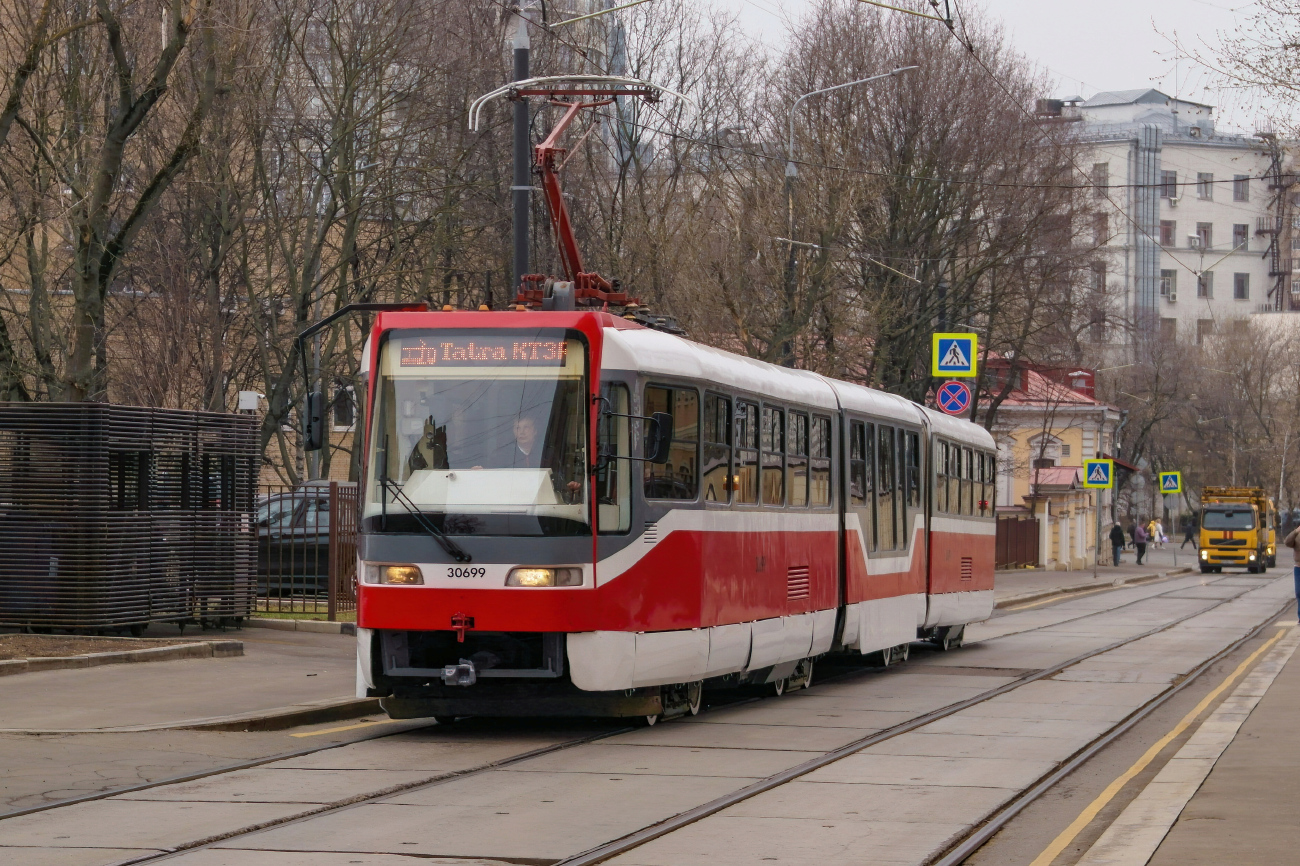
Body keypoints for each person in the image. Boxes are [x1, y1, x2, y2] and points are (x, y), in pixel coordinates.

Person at [1284, 521, 1300, 623]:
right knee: (1299, 592)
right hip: (1299, 567)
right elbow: (1287, 542)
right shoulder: (1297, 534)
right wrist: (1295, 532)